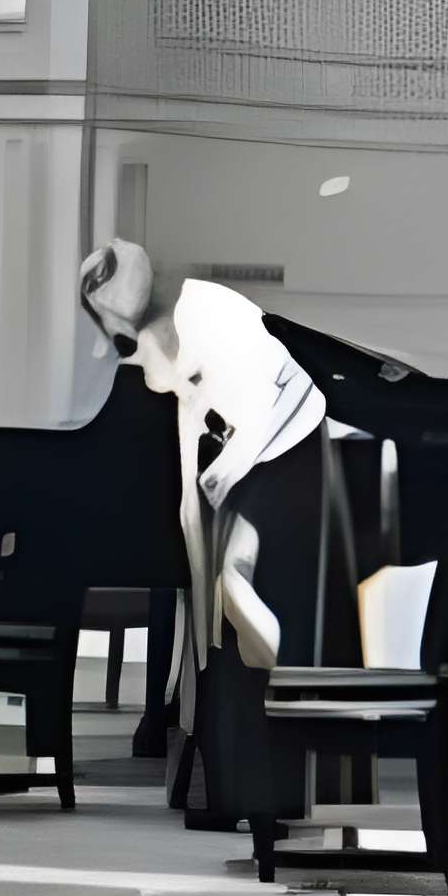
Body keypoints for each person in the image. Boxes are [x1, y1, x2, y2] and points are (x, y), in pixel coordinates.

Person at [78, 240, 356, 834]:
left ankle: (277, 796)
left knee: (253, 618)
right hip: (251, 474)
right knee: (220, 634)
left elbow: (259, 420)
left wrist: (217, 482)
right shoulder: (161, 347)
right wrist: (193, 517)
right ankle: (233, 793)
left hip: (292, 462)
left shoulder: (211, 314)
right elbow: (189, 442)